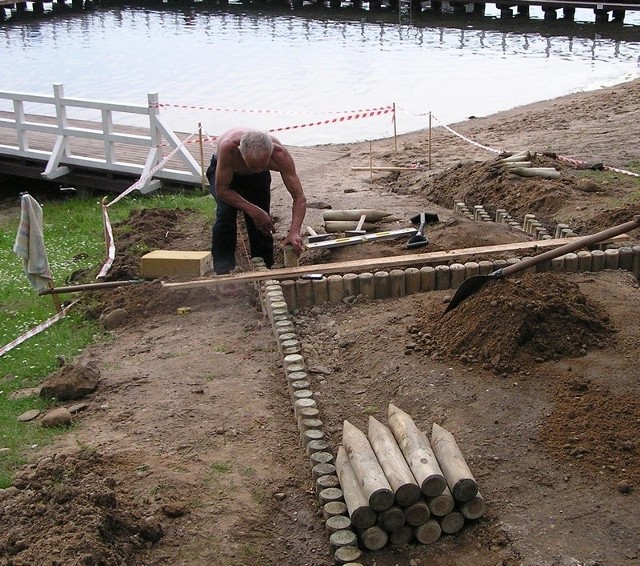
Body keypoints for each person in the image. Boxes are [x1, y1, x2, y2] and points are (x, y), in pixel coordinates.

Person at [206, 128, 307, 275]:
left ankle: (265, 267)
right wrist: (253, 210)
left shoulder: (280, 155)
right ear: (241, 152)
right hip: (225, 172)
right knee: (226, 216)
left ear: (270, 153)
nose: (257, 169)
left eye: (262, 165)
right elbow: (222, 190)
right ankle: (223, 271)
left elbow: (299, 197)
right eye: (252, 166)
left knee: (263, 222)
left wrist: (295, 231)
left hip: (257, 180)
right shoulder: (229, 148)